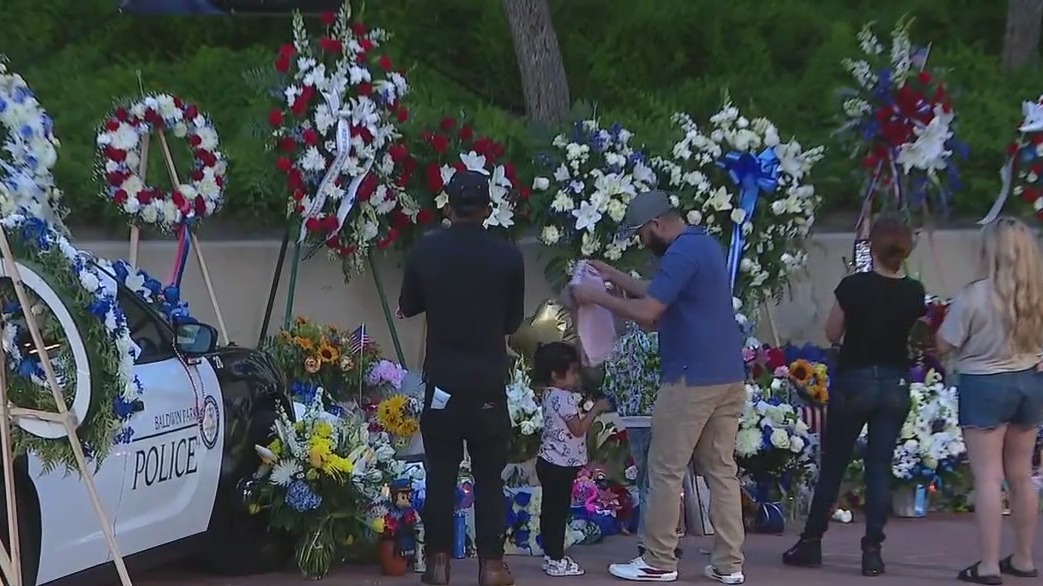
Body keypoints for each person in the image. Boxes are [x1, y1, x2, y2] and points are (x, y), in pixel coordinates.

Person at [570, 189, 747, 585]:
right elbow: (659, 290)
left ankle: (658, 560)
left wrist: (595, 295)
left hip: (690, 379)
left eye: (640, 234)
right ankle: (729, 564)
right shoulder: (702, 245)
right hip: (728, 376)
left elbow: (650, 313)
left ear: (656, 225)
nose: (641, 242)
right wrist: (614, 277)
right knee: (721, 471)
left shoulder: (681, 252)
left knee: (664, 468)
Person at [397, 169, 526, 586]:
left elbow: (409, 304)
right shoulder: (508, 256)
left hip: (443, 384)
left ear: (448, 206)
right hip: (488, 383)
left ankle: (438, 562)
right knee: (489, 477)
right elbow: (513, 319)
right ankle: (491, 565)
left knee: (441, 473)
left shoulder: (427, 251)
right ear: (489, 209)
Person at [781, 215, 925, 577]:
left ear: (871, 247)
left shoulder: (853, 286)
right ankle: (873, 549)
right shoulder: (914, 291)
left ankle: (812, 541)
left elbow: (832, 332)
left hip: (856, 380)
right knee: (878, 467)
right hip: (894, 382)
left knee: (835, 464)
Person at [935, 217, 1042, 585]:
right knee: (1022, 475)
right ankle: (1025, 558)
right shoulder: (1037, 294)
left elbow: (945, 343)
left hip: (984, 382)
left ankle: (989, 564)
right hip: (1030, 381)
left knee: (988, 477)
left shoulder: (975, 295)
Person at [530, 341, 611, 577]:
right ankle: (556, 558)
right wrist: (595, 410)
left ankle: (550, 555)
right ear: (556, 374)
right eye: (573, 372)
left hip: (548, 460)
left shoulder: (548, 394)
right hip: (560, 465)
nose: (577, 377)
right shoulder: (564, 398)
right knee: (557, 512)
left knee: (550, 510)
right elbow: (578, 429)